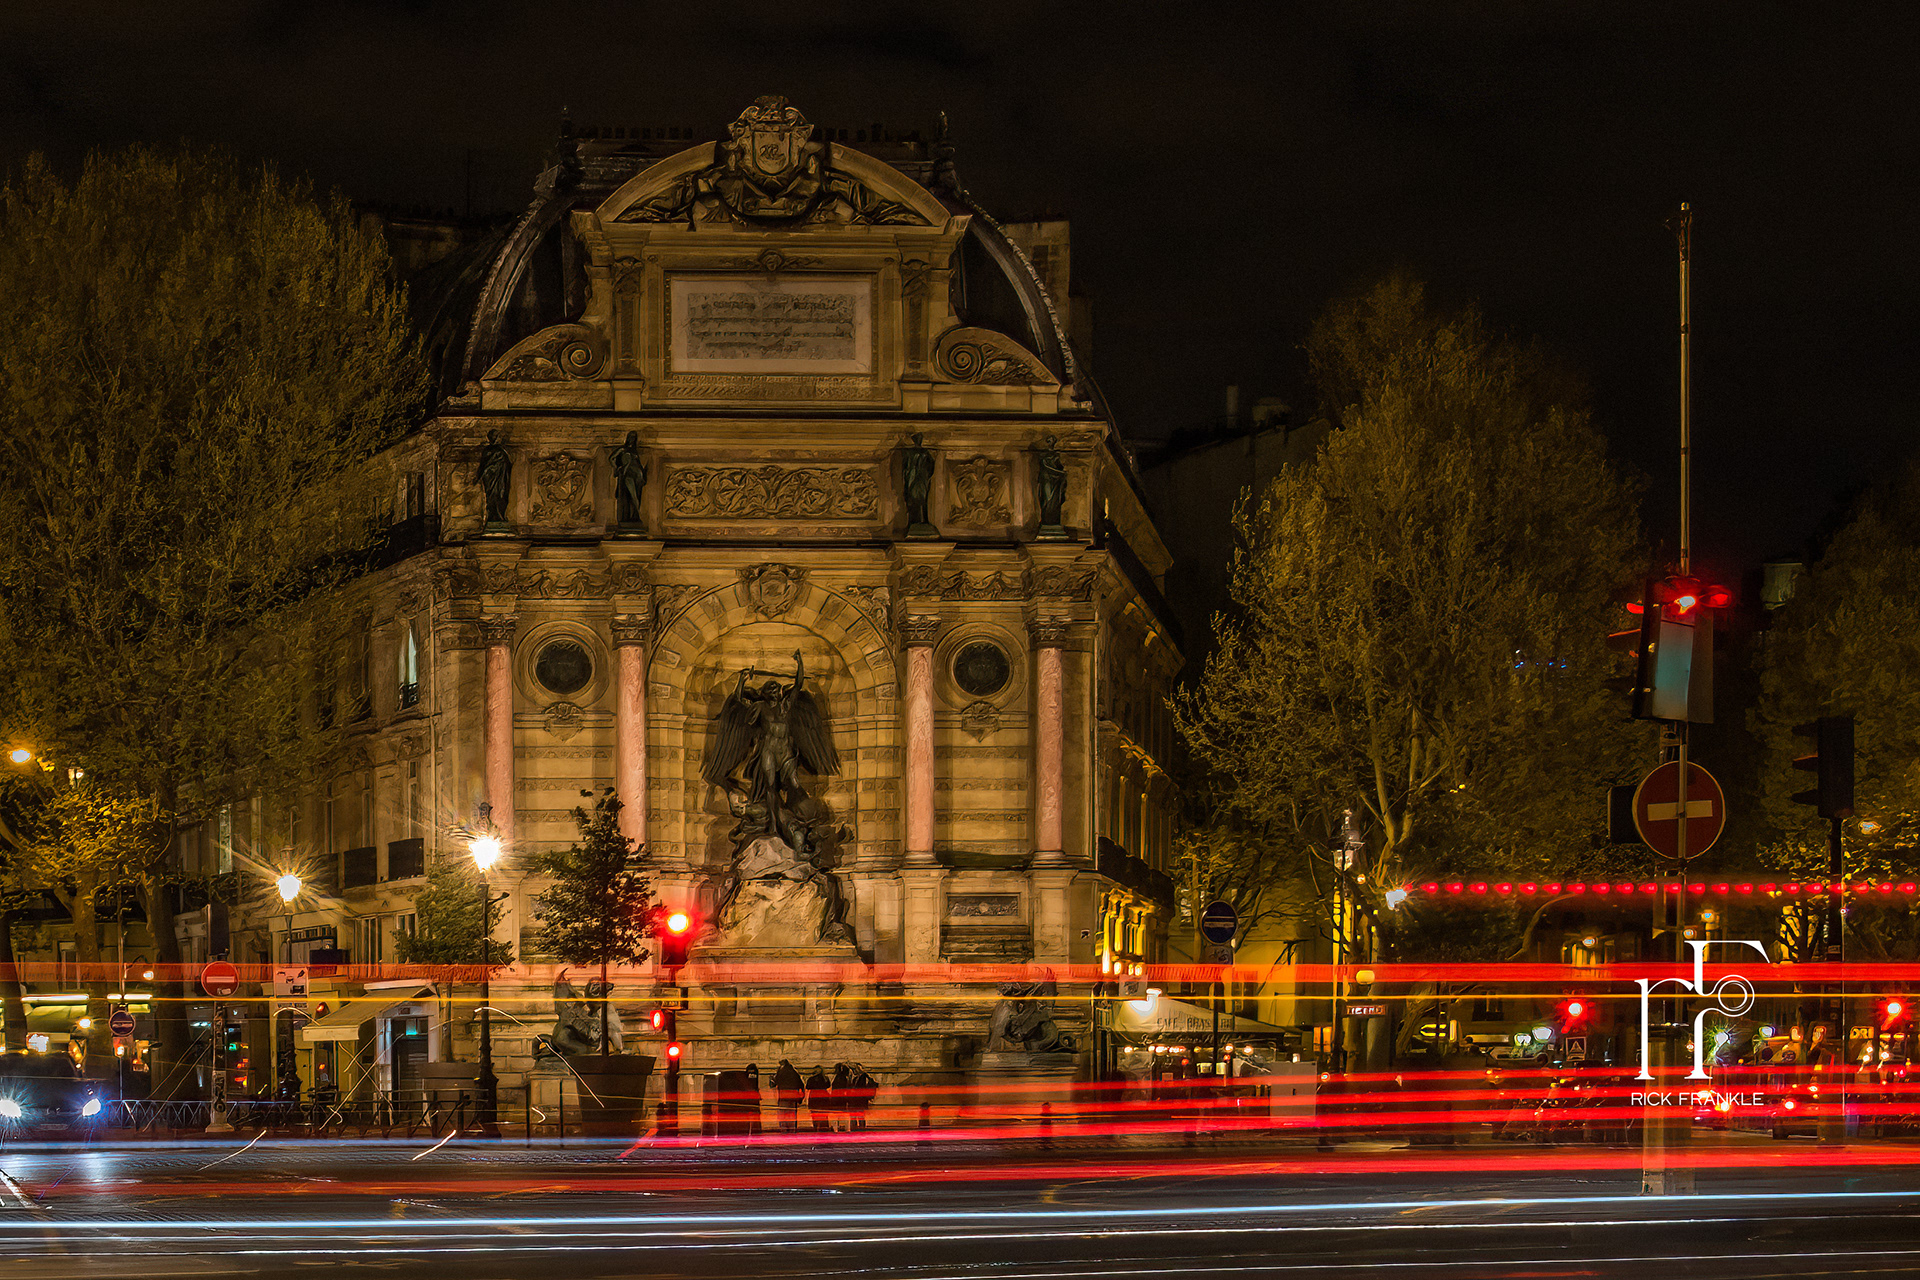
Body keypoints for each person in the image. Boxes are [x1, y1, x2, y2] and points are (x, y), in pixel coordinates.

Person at [773, 1059, 804, 1133]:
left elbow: (776, 1081)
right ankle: (792, 1129)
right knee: (792, 1114)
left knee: (783, 1114)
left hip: (784, 1096)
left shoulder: (781, 1072)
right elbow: (801, 1084)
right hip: (793, 1097)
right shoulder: (794, 1072)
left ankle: (784, 1129)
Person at [805, 1065, 832, 1133]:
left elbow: (808, 1087)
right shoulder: (825, 1078)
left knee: (815, 1115)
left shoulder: (811, 1079)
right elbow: (828, 1085)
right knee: (824, 1116)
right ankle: (824, 1129)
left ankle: (816, 1128)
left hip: (814, 1098)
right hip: (823, 1098)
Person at [830, 1063, 853, 1134]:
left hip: (838, 1097)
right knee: (845, 1114)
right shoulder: (845, 1077)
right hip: (843, 1097)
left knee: (836, 1115)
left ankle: (836, 1128)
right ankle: (847, 1128)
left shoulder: (839, 1077)